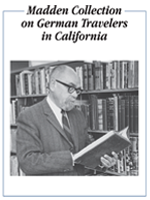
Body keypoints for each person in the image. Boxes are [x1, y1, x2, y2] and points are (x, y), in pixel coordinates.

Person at [16, 65, 117, 176]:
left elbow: (87, 152)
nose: (75, 95)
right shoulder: (29, 116)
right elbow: (28, 163)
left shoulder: (78, 115)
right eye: (71, 88)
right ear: (53, 84)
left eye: (78, 90)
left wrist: (103, 160)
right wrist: (71, 158)